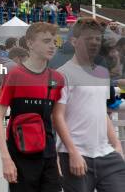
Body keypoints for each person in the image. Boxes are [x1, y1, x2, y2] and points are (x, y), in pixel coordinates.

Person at [53, 18, 125, 192]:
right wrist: (72, 152)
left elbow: (101, 111)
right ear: (74, 41)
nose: (93, 43)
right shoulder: (62, 74)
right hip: (76, 154)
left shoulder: (101, 73)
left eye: (97, 39)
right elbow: (57, 115)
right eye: (88, 39)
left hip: (106, 154)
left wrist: (117, 145)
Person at [0, 22, 64, 192]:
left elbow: (57, 120)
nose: (52, 46)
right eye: (46, 41)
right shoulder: (16, 74)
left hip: (48, 156)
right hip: (20, 155)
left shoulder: (57, 78)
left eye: (54, 42)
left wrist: (58, 158)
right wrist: (6, 159)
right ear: (30, 43)